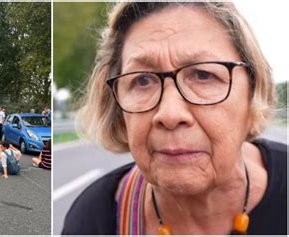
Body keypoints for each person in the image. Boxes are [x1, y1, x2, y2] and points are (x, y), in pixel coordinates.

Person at [62, 2, 287, 235]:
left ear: (252, 93)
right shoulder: (91, 222)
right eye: (142, 80)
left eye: (203, 74)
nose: (169, 114)